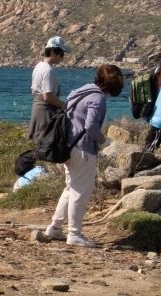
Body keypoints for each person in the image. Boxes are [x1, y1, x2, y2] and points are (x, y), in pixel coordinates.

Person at [44, 64, 124, 246]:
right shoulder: (98, 98)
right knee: (81, 192)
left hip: (67, 146)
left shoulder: (80, 91)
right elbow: (90, 126)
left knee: (70, 188)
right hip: (83, 149)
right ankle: (74, 234)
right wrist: (104, 142)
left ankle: (55, 228)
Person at [29, 36, 68, 144]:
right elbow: (48, 96)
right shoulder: (48, 70)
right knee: (46, 142)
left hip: (38, 107)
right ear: (53, 53)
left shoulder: (39, 66)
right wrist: (65, 105)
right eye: (62, 54)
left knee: (39, 140)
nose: (63, 57)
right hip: (45, 111)